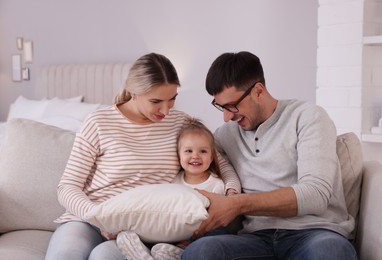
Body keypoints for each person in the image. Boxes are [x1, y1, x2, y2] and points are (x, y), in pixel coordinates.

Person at [45, 53, 240, 260]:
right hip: (88, 219)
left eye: (172, 99)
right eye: (156, 101)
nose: (165, 110)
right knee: (65, 255)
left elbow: (221, 164)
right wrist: (99, 218)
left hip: (141, 229)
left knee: (104, 256)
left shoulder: (180, 123)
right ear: (133, 93)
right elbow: (67, 187)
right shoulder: (99, 122)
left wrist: (232, 196)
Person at [181, 51, 358, 260]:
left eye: (232, 106)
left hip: (315, 233)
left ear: (258, 91)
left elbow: (316, 194)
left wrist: (238, 204)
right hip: (255, 238)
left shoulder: (308, 117)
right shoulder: (224, 136)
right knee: (201, 252)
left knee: (331, 252)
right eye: (221, 107)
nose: (227, 116)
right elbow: (190, 153)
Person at [116, 117, 241, 260]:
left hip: (203, 232)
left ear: (212, 157)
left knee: (216, 232)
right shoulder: (174, 181)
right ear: (178, 155)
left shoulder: (216, 184)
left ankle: (181, 252)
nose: (195, 156)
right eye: (188, 151)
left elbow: (216, 218)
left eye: (203, 151)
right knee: (159, 229)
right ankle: (146, 253)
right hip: (176, 232)